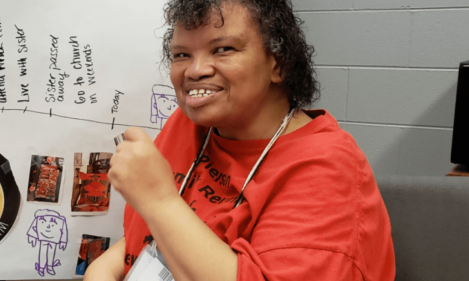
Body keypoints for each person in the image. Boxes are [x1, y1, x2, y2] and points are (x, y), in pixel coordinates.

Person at [85, 0, 395, 280]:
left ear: (278, 63)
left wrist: (158, 199)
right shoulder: (189, 125)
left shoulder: (327, 166)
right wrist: (104, 268)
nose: (195, 70)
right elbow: (152, 236)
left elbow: (161, 210)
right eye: (182, 55)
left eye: (223, 49)